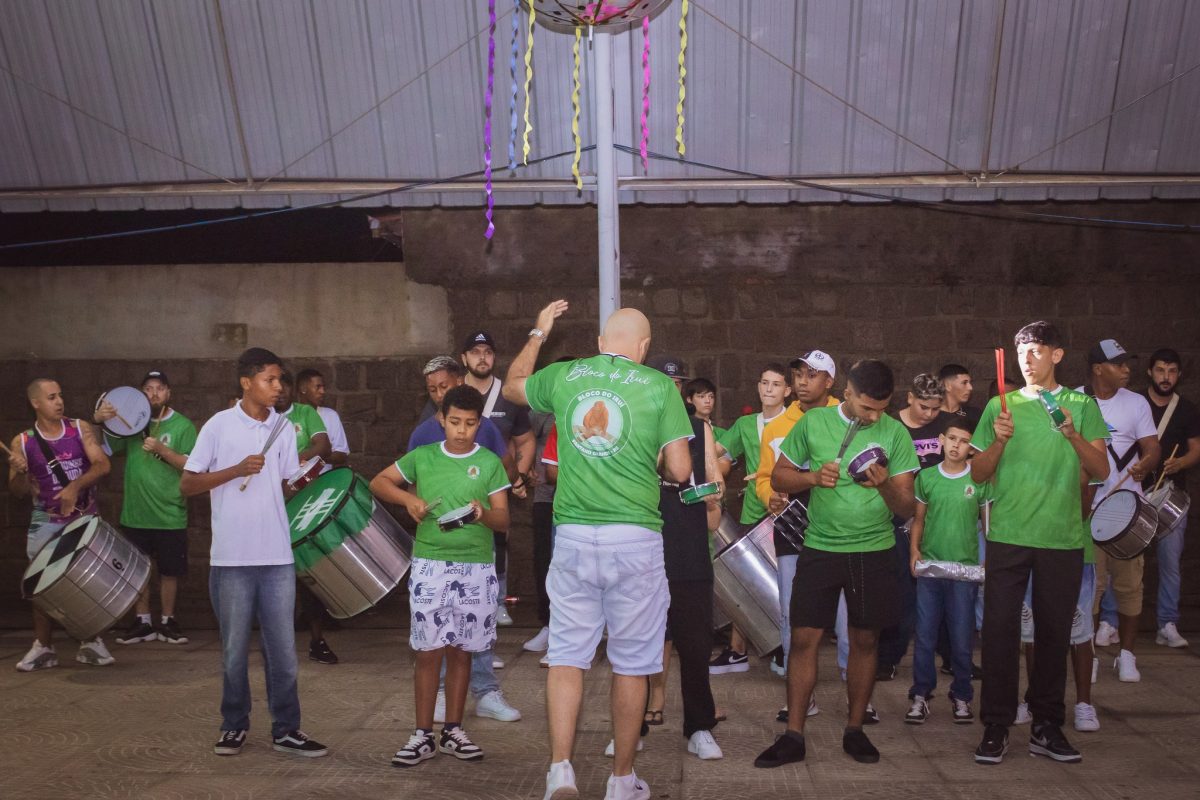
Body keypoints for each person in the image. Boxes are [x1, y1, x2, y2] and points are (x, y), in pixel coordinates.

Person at [504, 300, 693, 800]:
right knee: (632, 663)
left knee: (567, 656)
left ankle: (560, 771)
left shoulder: (568, 376)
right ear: (645, 349)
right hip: (634, 539)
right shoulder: (659, 387)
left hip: (572, 536)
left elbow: (513, 385)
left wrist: (539, 332)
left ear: (602, 344)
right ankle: (622, 780)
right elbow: (679, 471)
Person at [755, 359, 918, 768]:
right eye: (866, 407)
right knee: (804, 639)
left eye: (881, 408)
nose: (874, 416)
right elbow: (779, 478)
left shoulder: (895, 433)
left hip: (874, 549)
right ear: (846, 392)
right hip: (820, 548)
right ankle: (794, 734)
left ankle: (855, 729)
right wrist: (811, 478)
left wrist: (885, 488)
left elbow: (907, 506)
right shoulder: (813, 424)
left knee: (865, 641)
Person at [970, 321, 1109, 765]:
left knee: (1053, 636)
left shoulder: (1081, 405)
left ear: (1057, 355)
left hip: (1062, 537)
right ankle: (996, 725)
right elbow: (977, 473)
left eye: (1036, 351)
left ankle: (1047, 727)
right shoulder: (999, 405)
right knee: (998, 633)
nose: (1027, 360)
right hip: (1008, 536)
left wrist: (1070, 434)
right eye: (1021, 352)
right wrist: (998, 440)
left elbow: (1102, 469)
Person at [181, 347, 328, 758]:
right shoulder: (218, 426)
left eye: (280, 379)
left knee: (283, 652)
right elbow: (188, 485)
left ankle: (287, 729)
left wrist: (303, 478)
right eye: (270, 379)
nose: (279, 387)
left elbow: (283, 484)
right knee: (233, 651)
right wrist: (235, 470)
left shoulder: (283, 428)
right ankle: (233, 725)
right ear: (246, 383)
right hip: (231, 560)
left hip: (277, 556)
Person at [369, 385, 511, 767]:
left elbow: (504, 518)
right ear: (441, 420)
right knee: (429, 650)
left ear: (479, 423)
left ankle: (452, 730)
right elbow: (378, 482)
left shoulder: (491, 463)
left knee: (462, 650)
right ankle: (421, 734)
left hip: (477, 566)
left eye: (469, 423)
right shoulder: (423, 456)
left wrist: (484, 513)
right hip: (431, 563)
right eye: (454, 423)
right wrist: (408, 500)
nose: (461, 431)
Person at [408, 356, 521, 723]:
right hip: (434, 555)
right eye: (433, 391)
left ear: (459, 382)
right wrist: (413, 502)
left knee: (475, 631)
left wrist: (484, 502)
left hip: (476, 552)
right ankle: (439, 696)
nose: (440, 395)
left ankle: (486, 691)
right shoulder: (423, 435)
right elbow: (409, 485)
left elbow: (503, 468)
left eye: (444, 386)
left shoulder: (483, 429)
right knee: (435, 636)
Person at [639, 362, 725, 761]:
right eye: (666, 383)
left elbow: (714, 499)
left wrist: (713, 494)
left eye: (677, 384)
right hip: (644, 547)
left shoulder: (698, 428)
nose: (671, 390)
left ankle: (699, 727)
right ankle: (631, 727)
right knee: (637, 644)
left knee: (694, 644)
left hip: (690, 547)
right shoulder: (637, 420)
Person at [754, 351, 846, 721]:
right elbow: (764, 475)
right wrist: (770, 496)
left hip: (839, 529)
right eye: (799, 374)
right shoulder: (778, 424)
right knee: (793, 611)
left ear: (830, 381)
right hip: (792, 527)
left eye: (813, 374)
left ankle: (857, 693)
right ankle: (800, 696)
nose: (803, 381)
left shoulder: (849, 416)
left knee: (846, 614)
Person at [10, 378, 114, 671]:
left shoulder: (80, 429)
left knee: (88, 583)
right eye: (52, 397)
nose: (59, 402)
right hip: (45, 521)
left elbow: (103, 465)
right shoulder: (24, 442)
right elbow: (17, 492)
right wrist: (18, 472)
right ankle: (43, 647)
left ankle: (92, 641)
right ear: (36, 403)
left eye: (60, 396)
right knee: (40, 587)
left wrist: (74, 486)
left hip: (83, 518)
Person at [95, 370, 198, 646]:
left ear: (169, 393)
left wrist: (162, 451)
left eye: (160, 388)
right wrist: (99, 420)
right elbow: (102, 449)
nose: (154, 393)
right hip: (135, 513)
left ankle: (167, 620)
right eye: (148, 388)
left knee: (170, 571)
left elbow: (191, 466)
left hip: (170, 513)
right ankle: (142, 622)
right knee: (137, 570)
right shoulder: (127, 425)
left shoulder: (183, 426)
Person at [1079, 339, 1159, 681]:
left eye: (1128, 363)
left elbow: (1152, 448)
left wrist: (1145, 465)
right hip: (1087, 510)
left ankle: (1127, 654)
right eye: (1119, 364)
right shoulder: (1075, 400)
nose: (1127, 370)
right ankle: (1090, 656)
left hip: (1127, 511)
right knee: (1090, 589)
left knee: (1130, 586)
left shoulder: (1136, 403)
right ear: (1099, 369)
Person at [905, 419, 988, 725]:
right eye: (951, 438)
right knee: (925, 636)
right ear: (941, 440)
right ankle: (920, 694)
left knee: (962, 637)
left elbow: (988, 526)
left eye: (963, 441)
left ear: (971, 447)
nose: (956, 445)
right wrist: (914, 551)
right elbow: (919, 519)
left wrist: (988, 560)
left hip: (965, 571)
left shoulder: (979, 480)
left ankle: (962, 695)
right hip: (930, 569)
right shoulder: (926, 477)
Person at [711, 364, 791, 676]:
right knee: (745, 583)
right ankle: (737, 651)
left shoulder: (796, 420)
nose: (769, 389)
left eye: (776, 384)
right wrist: (714, 469)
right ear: (758, 387)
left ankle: (786, 648)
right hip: (755, 511)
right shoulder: (746, 424)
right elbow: (717, 452)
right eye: (764, 382)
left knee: (785, 584)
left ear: (787, 391)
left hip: (787, 509)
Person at [877, 374, 957, 682]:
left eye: (936, 409)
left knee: (947, 587)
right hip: (898, 519)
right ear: (909, 397)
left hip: (939, 518)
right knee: (900, 592)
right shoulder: (892, 426)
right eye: (924, 407)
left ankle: (951, 655)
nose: (929, 415)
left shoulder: (945, 426)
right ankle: (889, 658)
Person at [460, 329, 536, 627]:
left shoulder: (508, 396)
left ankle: (499, 600)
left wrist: (517, 475)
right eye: (476, 352)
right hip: (461, 482)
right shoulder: (452, 394)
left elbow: (526, 440)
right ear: (464, 358)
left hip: (497, 485)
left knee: (500, 540)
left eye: (488, 352)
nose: (482, 357)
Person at [1016, 476, 1104, 732]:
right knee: (1031, 630)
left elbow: (1084, 508)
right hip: (1031, 545)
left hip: (1075, 549)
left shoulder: (1084, 448)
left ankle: (1084, 704)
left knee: (1081, 631)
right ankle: (1035, 700)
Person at [276, 370, 338, 665]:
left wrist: (295, 463)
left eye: (284, 384)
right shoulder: (261, 418)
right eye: (275, 384)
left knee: (309, 574)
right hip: (272, 507)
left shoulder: (304, 413)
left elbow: (323, 446)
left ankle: (317, 640)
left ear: (293, 389)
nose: (280, 390)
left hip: (305, 504)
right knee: (277, 575)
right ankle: (279, 645)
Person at [1140, 348, 1200, 648]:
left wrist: (1181, 464)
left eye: (1172, 371)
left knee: (1170, 563)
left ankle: (1167, 623)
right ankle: (1110, 619)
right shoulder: (1136, 404)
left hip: (1171, 496)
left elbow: (1196, 450)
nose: (1166, 377)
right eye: (1161, 370)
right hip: (1136, 494)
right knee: (1125, 559)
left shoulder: (1186, 409)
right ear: (1150, 372)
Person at [295, 368, 350, 473]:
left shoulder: (330, 415)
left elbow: (342, 455)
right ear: (303, 388)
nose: (322, 391)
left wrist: (313, 458)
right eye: (318, 387)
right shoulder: (288, 415)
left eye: (323, 387)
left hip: (322, 481)